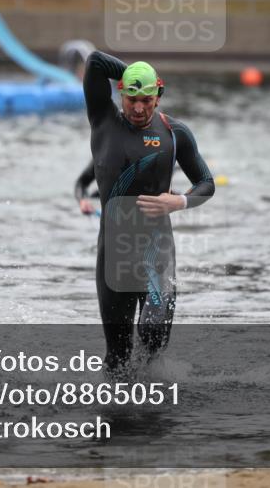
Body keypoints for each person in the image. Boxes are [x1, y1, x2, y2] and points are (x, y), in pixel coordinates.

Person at [83, 51, 214, 376]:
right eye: (131, 98)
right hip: (114, 257)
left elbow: (206, 183)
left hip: (158, 252)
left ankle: (155, 408)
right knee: (117, 358)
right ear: (121, 94)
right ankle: (120, 420)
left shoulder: (174, 133)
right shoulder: (102, 119)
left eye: (147, 98)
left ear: (158, 95)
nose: (139, 107)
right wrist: (136, 73)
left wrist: (179, 202)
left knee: (152, 336)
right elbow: (95, 62)